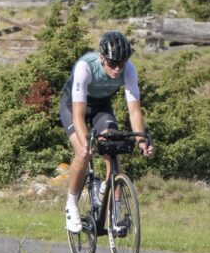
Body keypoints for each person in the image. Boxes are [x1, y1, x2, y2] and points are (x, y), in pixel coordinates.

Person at [64, 29, 152, 234]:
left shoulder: (128, 69)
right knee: (83, 153)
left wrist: (141, 140)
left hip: (101, 107)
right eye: (113, 64)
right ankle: (71, 205)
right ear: (102, 58)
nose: (117, 69)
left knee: (112, 146)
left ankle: (116, 212)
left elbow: (134, 110)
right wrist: (87, 143)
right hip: (73, 106)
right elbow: (78, 116)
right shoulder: (85, 67)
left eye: (121, 64)